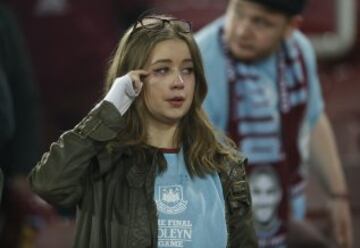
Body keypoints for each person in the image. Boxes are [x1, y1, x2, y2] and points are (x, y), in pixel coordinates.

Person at [29, 14, 258, 247]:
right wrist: (110, 108)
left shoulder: (223, 164)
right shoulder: (104, 162)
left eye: (187, 70)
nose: (178, 81)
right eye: (162, 70)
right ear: (132, 80)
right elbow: (48, 184)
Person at [195, 0, 352, 247]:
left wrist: (337, 195)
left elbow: (311, 120)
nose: (241, 30)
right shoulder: (198, 61)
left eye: (261, 22)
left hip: (280, 215)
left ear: (290, 27)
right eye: (238, 12)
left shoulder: (299, 51)